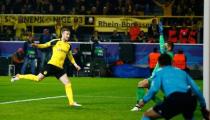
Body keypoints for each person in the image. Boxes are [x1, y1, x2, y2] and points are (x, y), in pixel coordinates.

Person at [11, 27, 82, 107]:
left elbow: (70, 56)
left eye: (69, 34)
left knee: (68, 83)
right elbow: (45, 45)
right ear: (62, 34)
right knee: (37, 79)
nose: (68, 36)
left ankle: (71, 102)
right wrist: (37, 45)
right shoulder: (55, 41)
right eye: (67, 34)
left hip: (59, 68)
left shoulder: (68, 45)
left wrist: (75, 65)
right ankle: (19, 76)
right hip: (51, 65)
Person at [138, 53, 210, 120]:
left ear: (159, 63)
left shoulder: (159, 72)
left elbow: (154, 89)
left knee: (147, 115)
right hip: (190, 100)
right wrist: (203, 107)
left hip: (175, 99)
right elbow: (197, 89)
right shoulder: (182, 72)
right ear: (171, 62)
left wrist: (143, 101)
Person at [131, 21, 174, 111]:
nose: (164, 45)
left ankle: (138, 106)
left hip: (159, 77)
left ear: (169, 47)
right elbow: (162, 46)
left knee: (143, 86)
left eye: (166, 44)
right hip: (155, 76)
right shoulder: (166, 54)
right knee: (147, 90)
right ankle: (162, 106)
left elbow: (161, 46)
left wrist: (161, 34)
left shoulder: (169, 55)